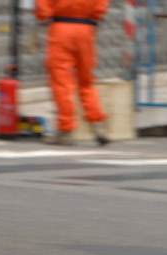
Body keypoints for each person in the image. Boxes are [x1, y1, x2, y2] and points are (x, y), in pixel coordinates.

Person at [35, 0, 110, 146]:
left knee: (60, 82)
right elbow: (100, 8)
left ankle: (65, 130)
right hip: (86, 30)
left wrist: (42, 15)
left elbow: (43, 10)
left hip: (60, 30)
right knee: (86, 81)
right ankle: (98, 125)